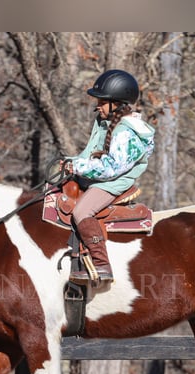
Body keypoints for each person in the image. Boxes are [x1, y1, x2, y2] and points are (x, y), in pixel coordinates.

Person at [63, 69, 155, 284]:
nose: (98, 106)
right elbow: (88, 156)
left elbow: (112, 167)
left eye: (102, 102)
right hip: (98, 178)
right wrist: (69, 162)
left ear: (118, 104)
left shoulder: (127, 132)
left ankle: (101, 264)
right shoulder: (104, 123)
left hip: (113, 182)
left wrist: (77, 167)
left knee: (82, 211)